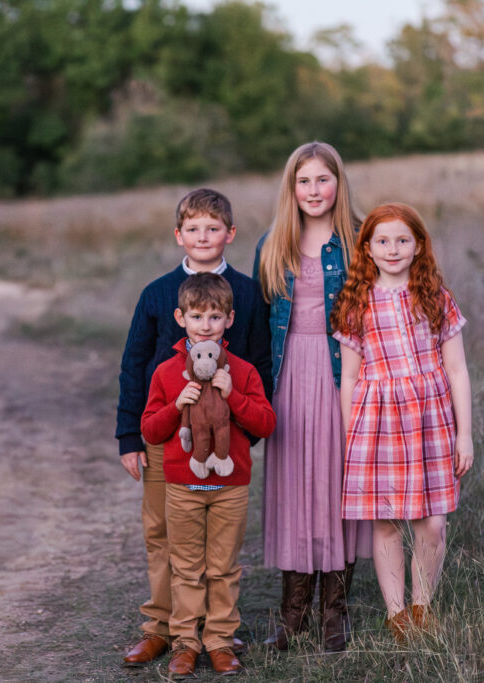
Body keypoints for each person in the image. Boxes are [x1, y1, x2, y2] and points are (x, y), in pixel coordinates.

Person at [116, 189, 272, 667]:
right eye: (194, 228)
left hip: (226, 437)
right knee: (163, 532)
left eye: (213, 228)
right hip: (166, 436)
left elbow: (261, 363)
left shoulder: (246, 294)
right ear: (178, 235)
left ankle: (216, 631)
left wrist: (249, 433)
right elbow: (134, 363)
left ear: (230, 234)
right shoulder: (158, 293)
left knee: (218, 544)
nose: (203, 237)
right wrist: (129, 436)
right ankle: (163, 627)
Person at [331, 202, 473, 642]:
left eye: (403, 240)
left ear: (418, 246)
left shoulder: (435, 297)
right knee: (386, 521)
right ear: (368, 249)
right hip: (377, 421)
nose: (393, 249)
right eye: (383, 241)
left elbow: (456, 370)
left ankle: (421, 606)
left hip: (430, 418)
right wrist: (348, 436)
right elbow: (350, 377)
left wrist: (464, 433)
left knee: (433, 522)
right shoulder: (355, 303)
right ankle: (396, 616)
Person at [253, 141, 371, 651]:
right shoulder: (273, 242)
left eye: (323, 179)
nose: (314, 190)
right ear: (291, 188)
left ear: (338, 184)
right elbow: (257, 326)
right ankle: (292, 615)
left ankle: (334, 615)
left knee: (335, 486)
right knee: (294, 488)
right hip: (288, 378)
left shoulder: (360, 239)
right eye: (304, 181)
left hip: (341, 374)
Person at [141, 273, 275, 677]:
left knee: (223, 568)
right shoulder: (166, 373)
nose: (206, 325)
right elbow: (150, 429)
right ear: (181, 318)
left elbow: (266, 423)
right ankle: (185, 641)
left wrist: (232, 394)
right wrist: (175, 404)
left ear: (229, 320)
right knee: (186, 567)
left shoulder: (244, 370)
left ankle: (219, 640)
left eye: (215, 317)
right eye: (197, 316)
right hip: (183, 487)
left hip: (230, 489)